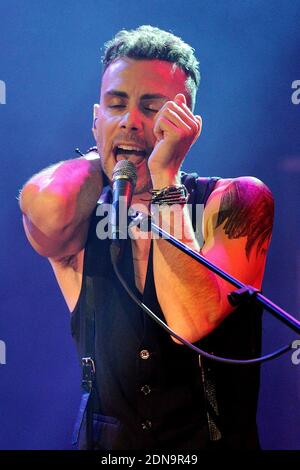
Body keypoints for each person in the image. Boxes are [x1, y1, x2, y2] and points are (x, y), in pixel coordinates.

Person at [19, 25, 274, 450]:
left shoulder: (238, 200)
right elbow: (43, 206)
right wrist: (108, 144)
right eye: (115, 104)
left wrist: (165, 178)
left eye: (152, 107)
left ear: (186, 122)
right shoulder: (79, 216)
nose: (131, 121)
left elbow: (188, 324)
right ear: (95, 116)